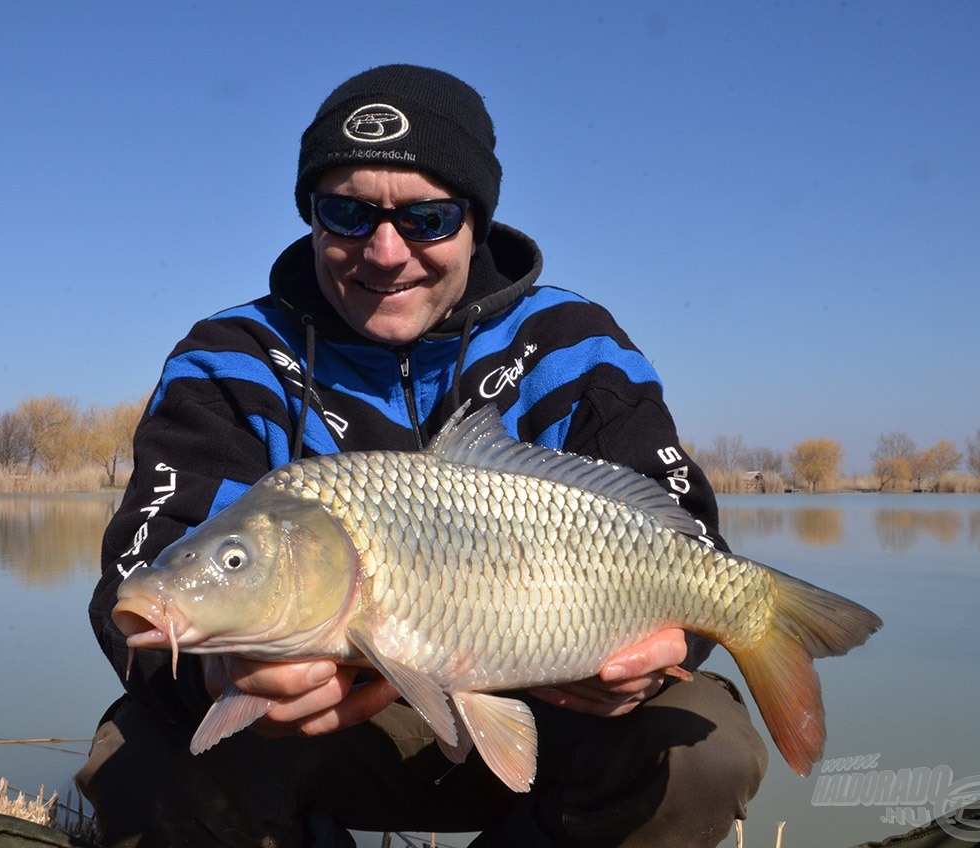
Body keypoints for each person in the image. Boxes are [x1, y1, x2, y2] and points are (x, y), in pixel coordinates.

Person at [77, 64, 767, 847]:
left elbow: (694, 548)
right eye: (346, 213)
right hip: (322, 741)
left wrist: (674, 647)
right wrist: (209, 677)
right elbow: (137, 579)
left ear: (476, 220)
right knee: (137, 759)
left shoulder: (576, 345)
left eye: (428, 218)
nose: (384, 251)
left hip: (553, 709)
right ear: (310, 217)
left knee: (701, 749)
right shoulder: (232, 357)